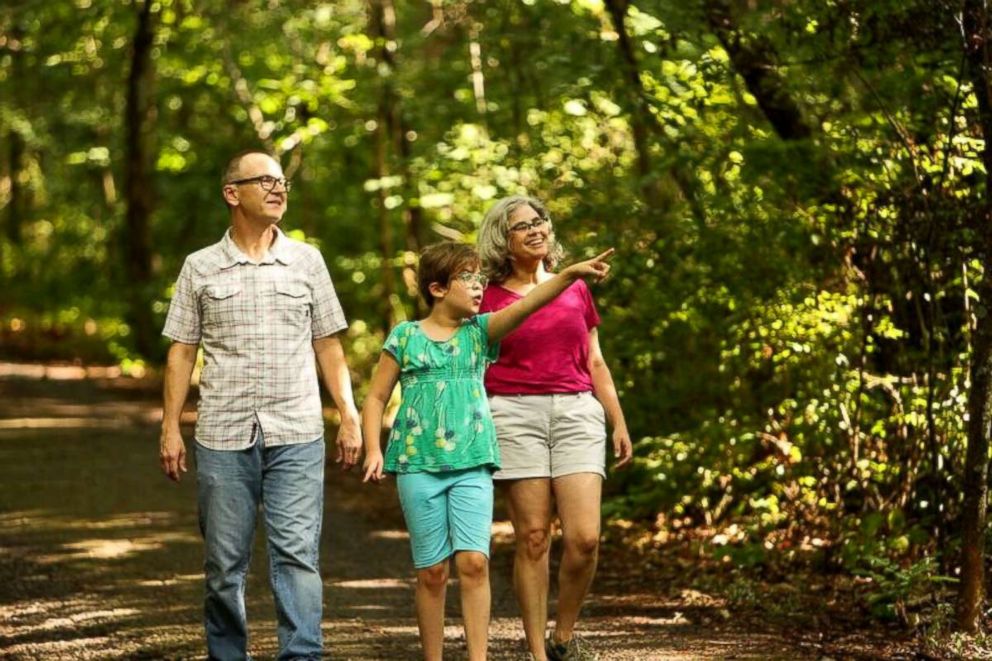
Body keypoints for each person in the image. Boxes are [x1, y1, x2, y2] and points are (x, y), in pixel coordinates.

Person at [361, 241, 613, 661]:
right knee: (432, 571)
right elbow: (375, 398)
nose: (479, 288)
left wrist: (568, 275)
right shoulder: (405, 337)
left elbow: (530, 304)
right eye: (467, 279)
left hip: (473, 465)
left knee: (474, 563)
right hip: (416, 465)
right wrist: (373, 448)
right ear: (438, 288)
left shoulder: (480, 332)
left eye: (480, 279)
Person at [158, 149, 362, 660]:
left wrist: (350, 414)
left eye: (283, 182)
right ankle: (228, 656)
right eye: (265, 181)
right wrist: (169, 427)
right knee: (224, 565)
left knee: (297, 556)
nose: (278, 189)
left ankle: (302, 655)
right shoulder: (199, 267)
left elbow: (328, 345)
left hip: (297, 431)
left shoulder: (307, 261)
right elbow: (182, 352)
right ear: (233, 193)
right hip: (223, 435)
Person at [477, 196, 632, 661]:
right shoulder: (487, 295)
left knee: (584, 538)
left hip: (576, 411)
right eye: (521, 226)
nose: (535, 229)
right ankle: (537, 651)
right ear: (502, 241)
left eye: (539, 220)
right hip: (513, 413)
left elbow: (595, 359)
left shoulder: (576, 288)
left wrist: (617, 418)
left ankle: (563, 636)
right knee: (533, 536)